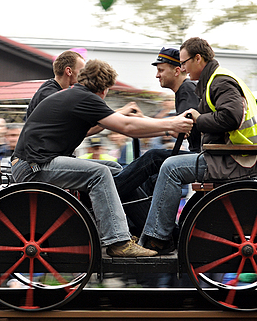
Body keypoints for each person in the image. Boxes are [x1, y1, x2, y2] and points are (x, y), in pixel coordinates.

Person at [11, 59, 193, 258]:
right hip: (33, 167)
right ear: (105, 88)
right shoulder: (85, 98)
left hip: (36, 163)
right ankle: (118, 241)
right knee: (100, 173)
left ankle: (144, 232)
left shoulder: (77, 95)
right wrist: (171, 124)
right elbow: (126, 127)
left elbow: (116, 124)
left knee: (114, 168)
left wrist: (166, 124)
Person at [138, 37, 257, 254]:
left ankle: (157, 238)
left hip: (234, 159)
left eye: (184, 62)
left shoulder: (220, 81)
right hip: (233, 155)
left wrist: (199, 119)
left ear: (198, 58)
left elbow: (231, 117)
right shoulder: (214, 80)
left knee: (171, 167)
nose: (182, 68)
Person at [152, 47, 201, 152]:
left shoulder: (187, 89)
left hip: (201, 155)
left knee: (153, 157)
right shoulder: (184, 90)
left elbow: (185, 128)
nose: (157, 75)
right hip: (199, 153)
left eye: (161, 70)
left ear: (177, 71)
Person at [26, 50, 86, 118]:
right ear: (69, 71)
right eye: (81, 71)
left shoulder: (50, 88)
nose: (84, 75)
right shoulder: (52, 96)